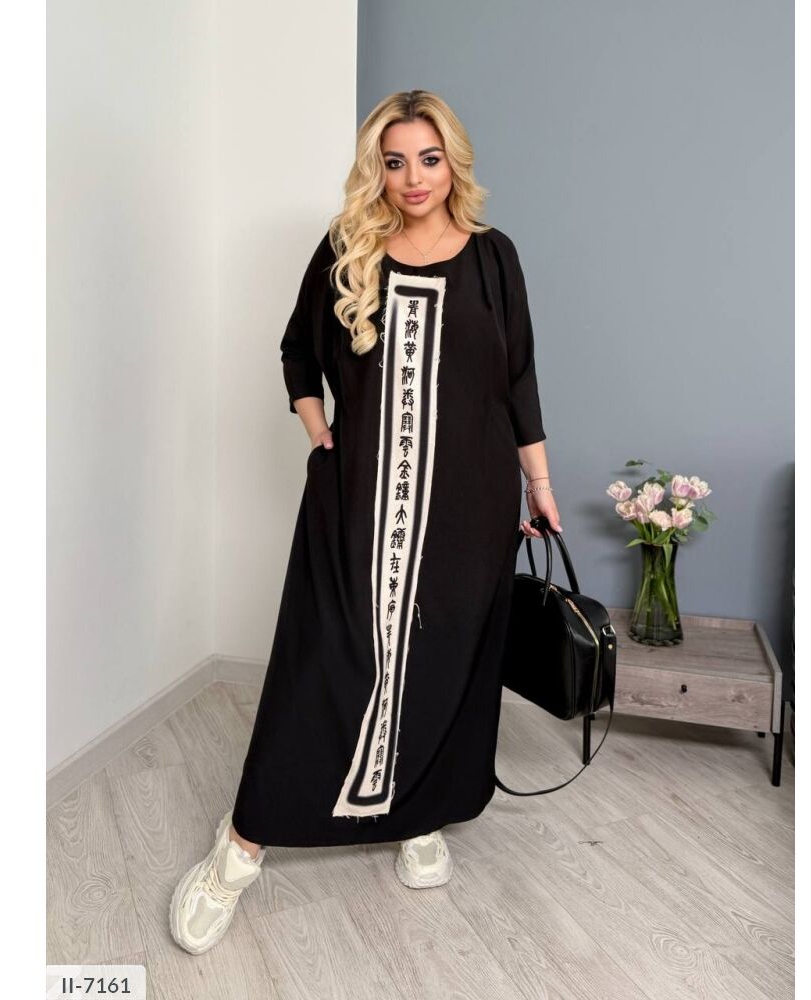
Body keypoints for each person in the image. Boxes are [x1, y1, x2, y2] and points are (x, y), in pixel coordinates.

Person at [170, 89, 562, 956]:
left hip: (468, 508)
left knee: (445, 663)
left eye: (428, 159)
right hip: (356, 504)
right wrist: (320, 435)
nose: (413, 178)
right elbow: (297, 352)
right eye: (394, 161)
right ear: (374, 170)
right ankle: (240, 847)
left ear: (452, 162)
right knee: (324, 665)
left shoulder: (494, 258)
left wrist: (538, 483)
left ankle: (418, 815)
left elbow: (518, 380)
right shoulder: (349, 249)